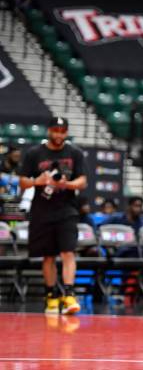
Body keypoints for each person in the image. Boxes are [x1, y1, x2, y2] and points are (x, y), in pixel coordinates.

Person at [17, 117, 87, 315]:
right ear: (49, 130)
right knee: (48, 256)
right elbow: (22, 182)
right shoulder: (34, 153)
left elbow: (82, 181)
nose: (59, 134)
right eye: (55, 130)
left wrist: (66, 184)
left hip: (67, 209)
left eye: (62, 131)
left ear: (66, 132)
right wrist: (38, 181)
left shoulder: (75, 153)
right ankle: (51, 296)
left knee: (68, 252)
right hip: (42, 210)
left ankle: (69, 294)